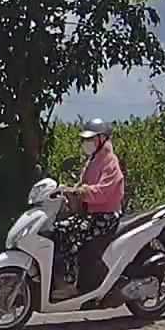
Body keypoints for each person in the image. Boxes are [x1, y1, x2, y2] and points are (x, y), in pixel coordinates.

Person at [52, 118, 125, 298]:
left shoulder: (110, 162)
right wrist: (67, 191)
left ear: (102, 139)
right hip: (91, 214)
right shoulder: (93, 160)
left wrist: (81, 192)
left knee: (70, 234)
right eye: (85, 139)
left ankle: (70, 284)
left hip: (105, 215)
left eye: (91, 139)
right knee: (57, 228)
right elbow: (82, 185)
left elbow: (103, 191)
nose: (86, 143)